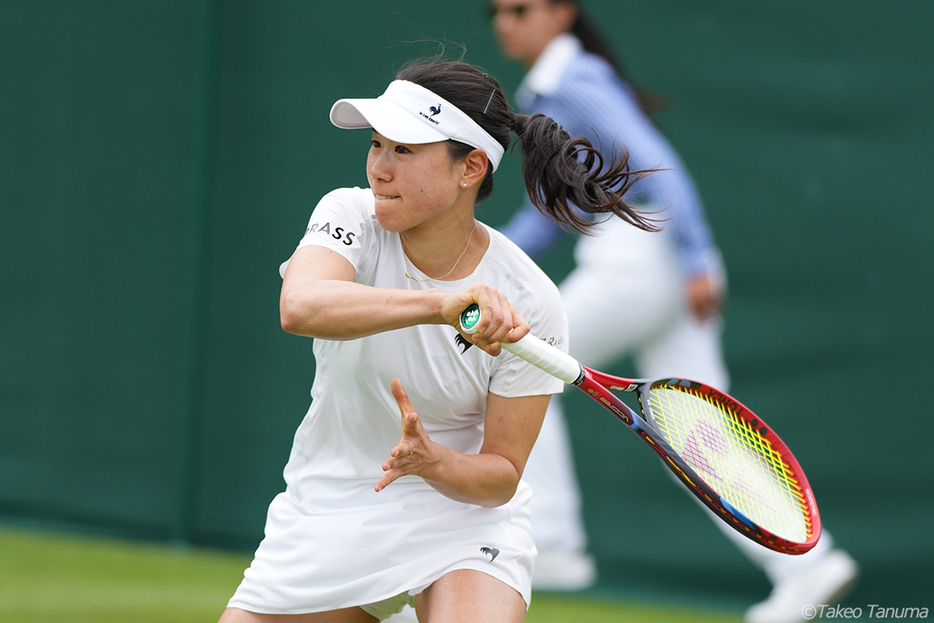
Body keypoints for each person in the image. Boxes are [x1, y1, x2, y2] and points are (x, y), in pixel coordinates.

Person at [219, 57, 659, 623]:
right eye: (376, 145)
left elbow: (500, 475)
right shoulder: (349, 214)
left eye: (403, 150)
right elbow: (301, 305)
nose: (379, 167)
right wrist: (440, 305)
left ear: (470, 167)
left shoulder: (531, 298)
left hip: (461, 521)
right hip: (331, 505)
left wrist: (433, 462)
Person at [487, 0, 859, 621]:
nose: (504, 22)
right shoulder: (559, 86)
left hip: (642, 261)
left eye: (519, 9)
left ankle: (550, 540)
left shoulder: (571, 82)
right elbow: (552, 212)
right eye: (495, 11)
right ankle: (808, 565)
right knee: (694, 431)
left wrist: (697, 257)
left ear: (560, 14)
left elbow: (657, 164)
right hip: (659, 266)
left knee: (522, 368)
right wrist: (486, 259)